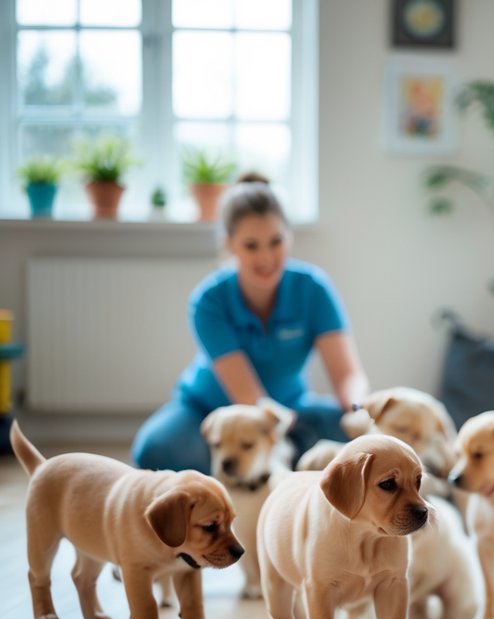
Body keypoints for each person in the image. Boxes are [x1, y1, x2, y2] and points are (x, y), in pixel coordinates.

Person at [132, 172, 370, 472]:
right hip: (209, 411)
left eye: (276, 241)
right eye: (251, 245)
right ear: (229, 245)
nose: (267, 257)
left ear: (290, 237)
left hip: (290, 410)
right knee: (158, 450)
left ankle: (272, 465)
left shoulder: (314, 289)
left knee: (360, 444)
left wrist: (357, 412)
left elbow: (348, 375)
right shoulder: (208, 300)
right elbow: (248, 398)